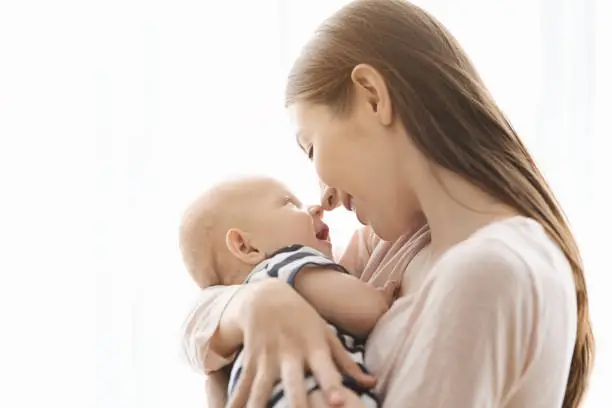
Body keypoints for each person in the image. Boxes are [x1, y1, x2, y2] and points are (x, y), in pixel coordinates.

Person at [182, 1, 594, 407]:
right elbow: (200, 322)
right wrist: (254, 303)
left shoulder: (491, 271)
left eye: (311, 148)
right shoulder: (391, 248)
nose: (322, 192)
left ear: (372, 97)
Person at [179, 177, 399, 408]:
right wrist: (380, 297)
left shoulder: (238, 333)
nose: (315, 208)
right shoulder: (287, 264)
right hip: (314, 394)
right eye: (289, 204)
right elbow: (363, 310)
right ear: (247, 247)